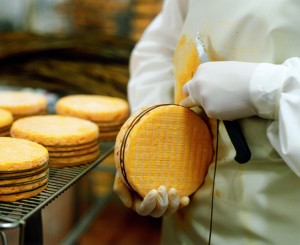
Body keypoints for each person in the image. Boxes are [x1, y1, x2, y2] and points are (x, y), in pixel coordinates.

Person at [114, 0, 300, 244]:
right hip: (185, 220)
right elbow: (161, 45)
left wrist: (271, 89)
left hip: (276, 224)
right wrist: (145, 140)